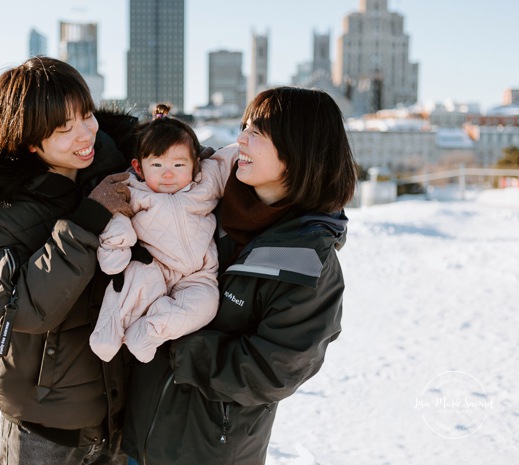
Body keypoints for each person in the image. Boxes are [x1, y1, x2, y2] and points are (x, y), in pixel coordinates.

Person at [121, 87, 358, 465]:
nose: (240, 139)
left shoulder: (307, 260)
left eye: (257, 133)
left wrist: (174, 344)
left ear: (299, 150)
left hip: (208, 452)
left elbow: (273, 370)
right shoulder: (202, 205)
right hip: (134, 439)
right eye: (244, 126)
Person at [0, 56, 138, 465]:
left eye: (87, 116)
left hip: (121, 414)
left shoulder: (120, 170)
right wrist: (86, 222)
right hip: (44, 427)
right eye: (63, 129)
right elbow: (22, 309)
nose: (85, 134)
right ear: (30, 142)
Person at [89, 104, 228, 364]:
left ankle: (148, 332)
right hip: (153, 265)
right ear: (139, 167)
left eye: (178, 164)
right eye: (157, 164)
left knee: (207, 304)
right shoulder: (131, 189)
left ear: (195, 164)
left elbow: (230, 158)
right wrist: (115, 246)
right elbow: (116, 216)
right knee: (129, 288)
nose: (168, 173)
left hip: (198, 274)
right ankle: (108, 332)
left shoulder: (206, 181)